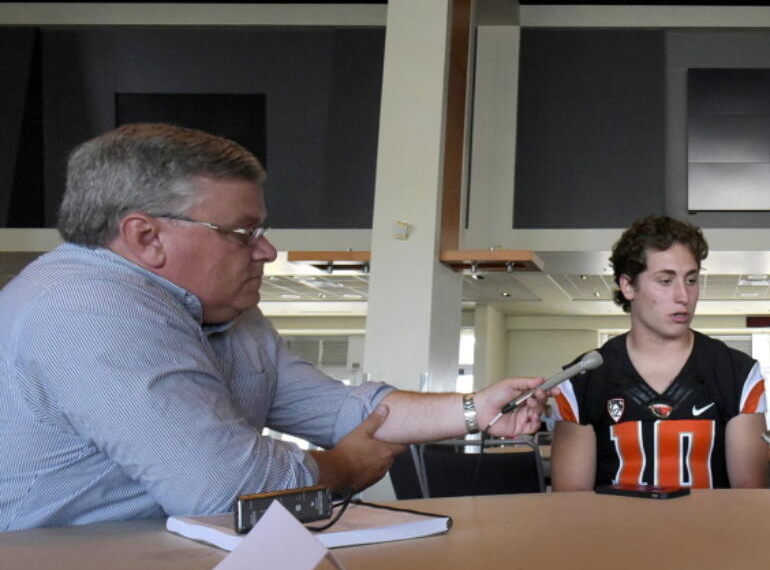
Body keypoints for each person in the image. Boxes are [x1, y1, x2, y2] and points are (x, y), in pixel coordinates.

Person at [0, 124, 546, 531]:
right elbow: (227, 489)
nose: (267, 250)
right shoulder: (84, 307)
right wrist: (344, 468)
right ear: (147, 238)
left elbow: (338, 409)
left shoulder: (224, 310)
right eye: (242, 231)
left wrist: (476, 409)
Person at [550, 215, 769, 491]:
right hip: (613, 534)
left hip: (713, 533)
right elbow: (572, 505)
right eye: (665, 281)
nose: (683, 296)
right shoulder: (583, 379)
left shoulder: (737, 373)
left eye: (691, 280)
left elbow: (749, 500)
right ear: (628, 286)